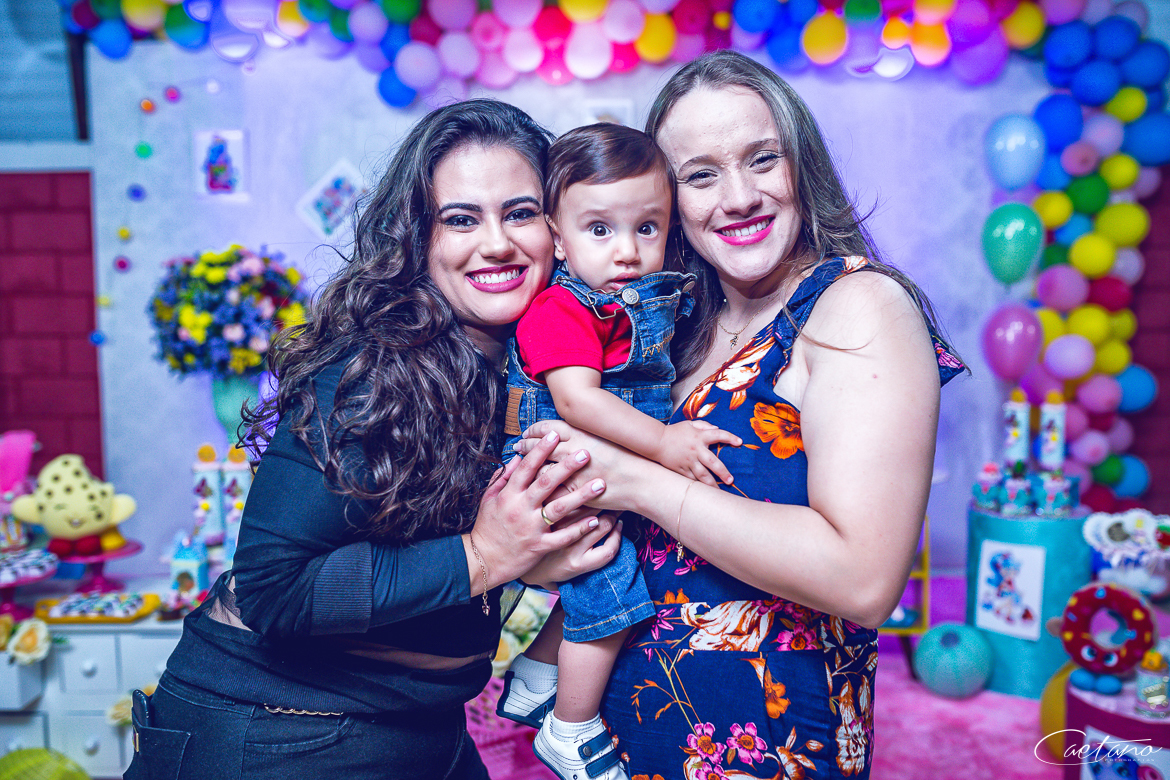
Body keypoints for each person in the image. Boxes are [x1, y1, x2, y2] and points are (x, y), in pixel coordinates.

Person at [124, 99, 624, 780]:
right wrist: (484, 555)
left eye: (520, 212)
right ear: (418, 238)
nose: (497, 243)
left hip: (420, 722)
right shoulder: (369, 373)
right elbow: (273, 589)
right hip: (278, 728)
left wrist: (524, 556)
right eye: (460, 219)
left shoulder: (537, 370)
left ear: (558, 228)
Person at [515, 51, 965, 780]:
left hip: (767, 750)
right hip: (620, 743)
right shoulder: (675, 324)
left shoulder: (856, 307)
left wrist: (635, 480)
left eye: (763, 159)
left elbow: (865, 581)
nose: (739, 197)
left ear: (802, 164)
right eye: (700, 175)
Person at [493, 124, 739, 780]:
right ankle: (569, 730)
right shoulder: (561, 309)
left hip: (597, 476)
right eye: (600, 229)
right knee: (612, 600)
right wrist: (664, 442)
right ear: (558, 237)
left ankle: (537, 671)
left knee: (607, 577)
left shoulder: (641, 299)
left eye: (647, 228)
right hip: (556, 476)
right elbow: (577, 401)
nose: (627, 251)